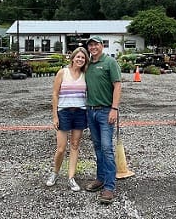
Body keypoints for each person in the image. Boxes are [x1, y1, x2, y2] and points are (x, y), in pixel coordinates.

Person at [84, 36, 122, 204]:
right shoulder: (87, 65)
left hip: (106, 111)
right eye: (90, 45)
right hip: (90, 111)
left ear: (102, 46)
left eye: (96, 44)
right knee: (98, 147)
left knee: (107, 148)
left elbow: (118, 85)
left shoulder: (110, 62)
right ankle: (100, 179)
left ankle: (110, 187)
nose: (93, 47)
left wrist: (114, 108)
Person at [46, 47, 89, 192]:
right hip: (64, 112)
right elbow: (55, 94)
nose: (80, 60)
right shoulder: (63, 72)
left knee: (75, 145)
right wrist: (55, 115)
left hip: (80, 112)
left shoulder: (85, 74)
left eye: (83, 58)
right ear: (72, 58)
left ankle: (71, 178)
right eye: (78, 57)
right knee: (61, 148)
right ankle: (55, 173)